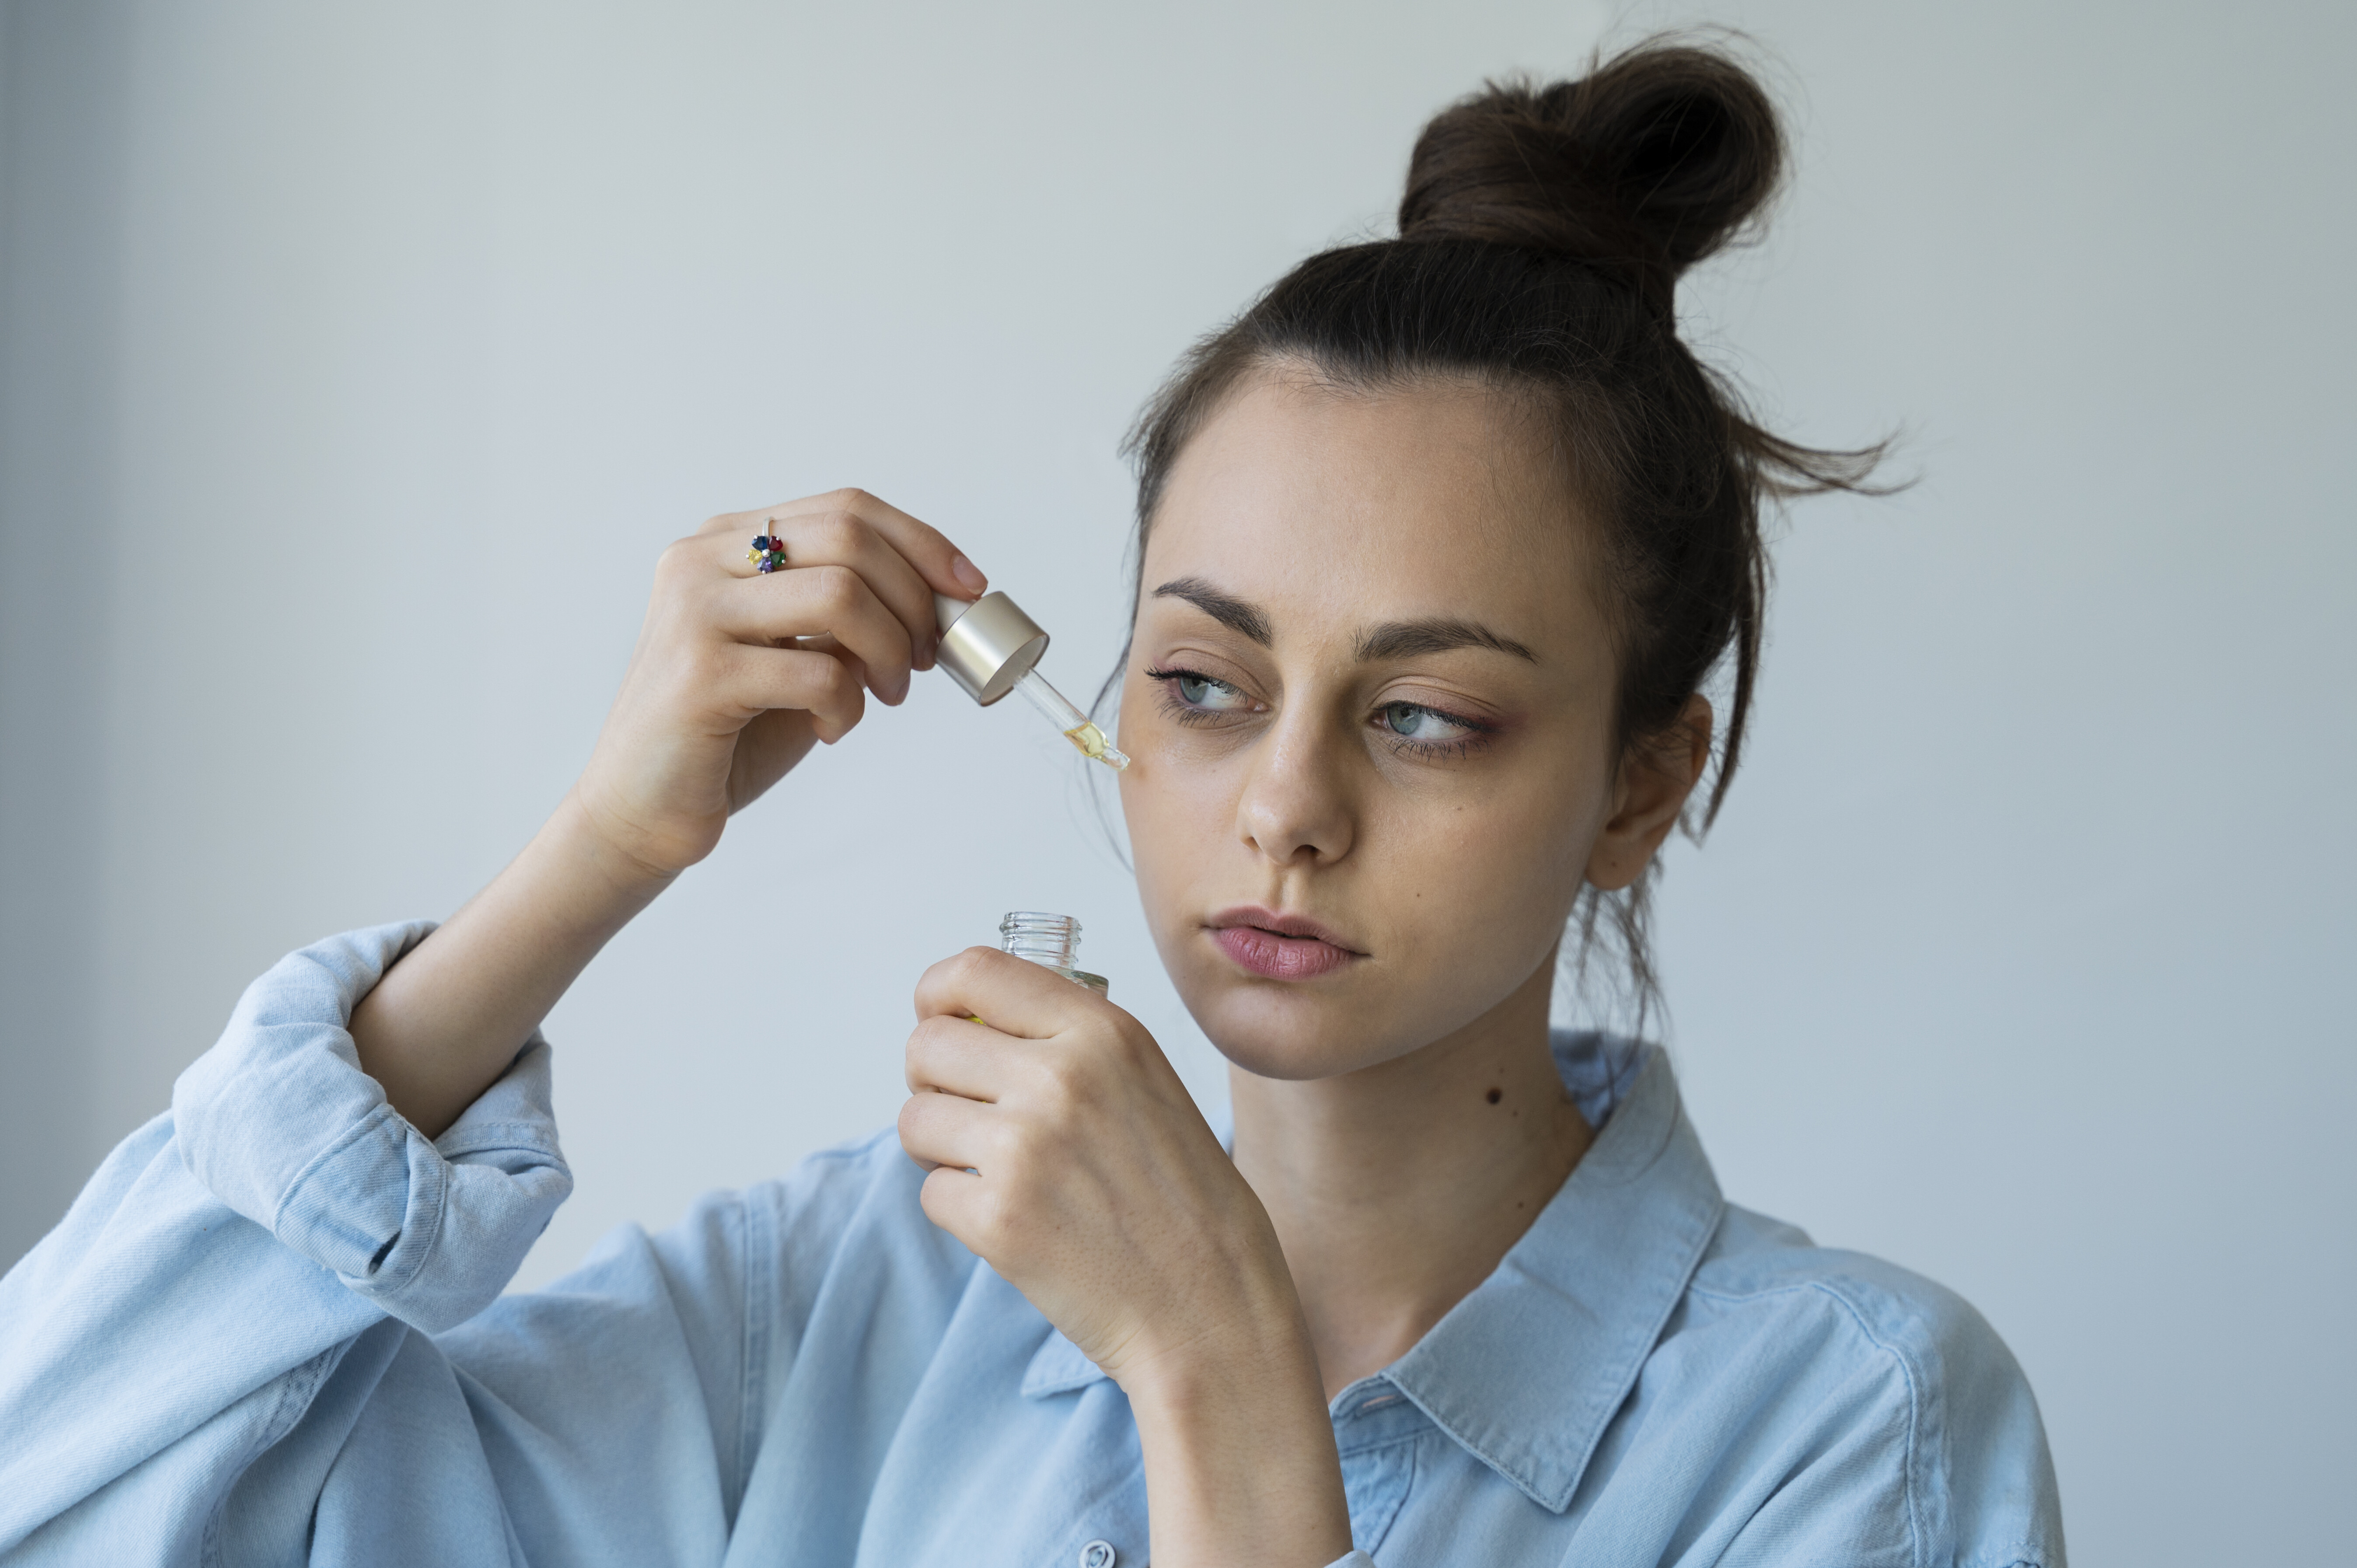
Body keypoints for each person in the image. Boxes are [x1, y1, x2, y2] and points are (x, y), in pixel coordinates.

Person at [0, 38, 2064, 1568]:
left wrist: (1221, 1395)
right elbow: (77, 1500)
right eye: (1199, 685)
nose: (1281, 809)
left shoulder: (1848, 1426)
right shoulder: (851, 1296)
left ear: (1640, 786)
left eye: (1425, 715)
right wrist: (589, 866)